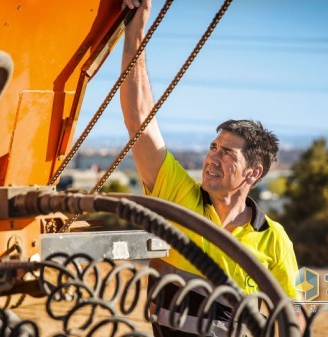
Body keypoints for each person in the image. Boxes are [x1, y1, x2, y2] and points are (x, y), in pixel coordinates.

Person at [121, 1, 303, 335]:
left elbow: (293, 318)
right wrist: (136, 29)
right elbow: (140, 121)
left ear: (254, 172)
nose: (212, 158)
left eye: (227, 153)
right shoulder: (178, 195)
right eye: (212, 147)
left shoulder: (274, 240)